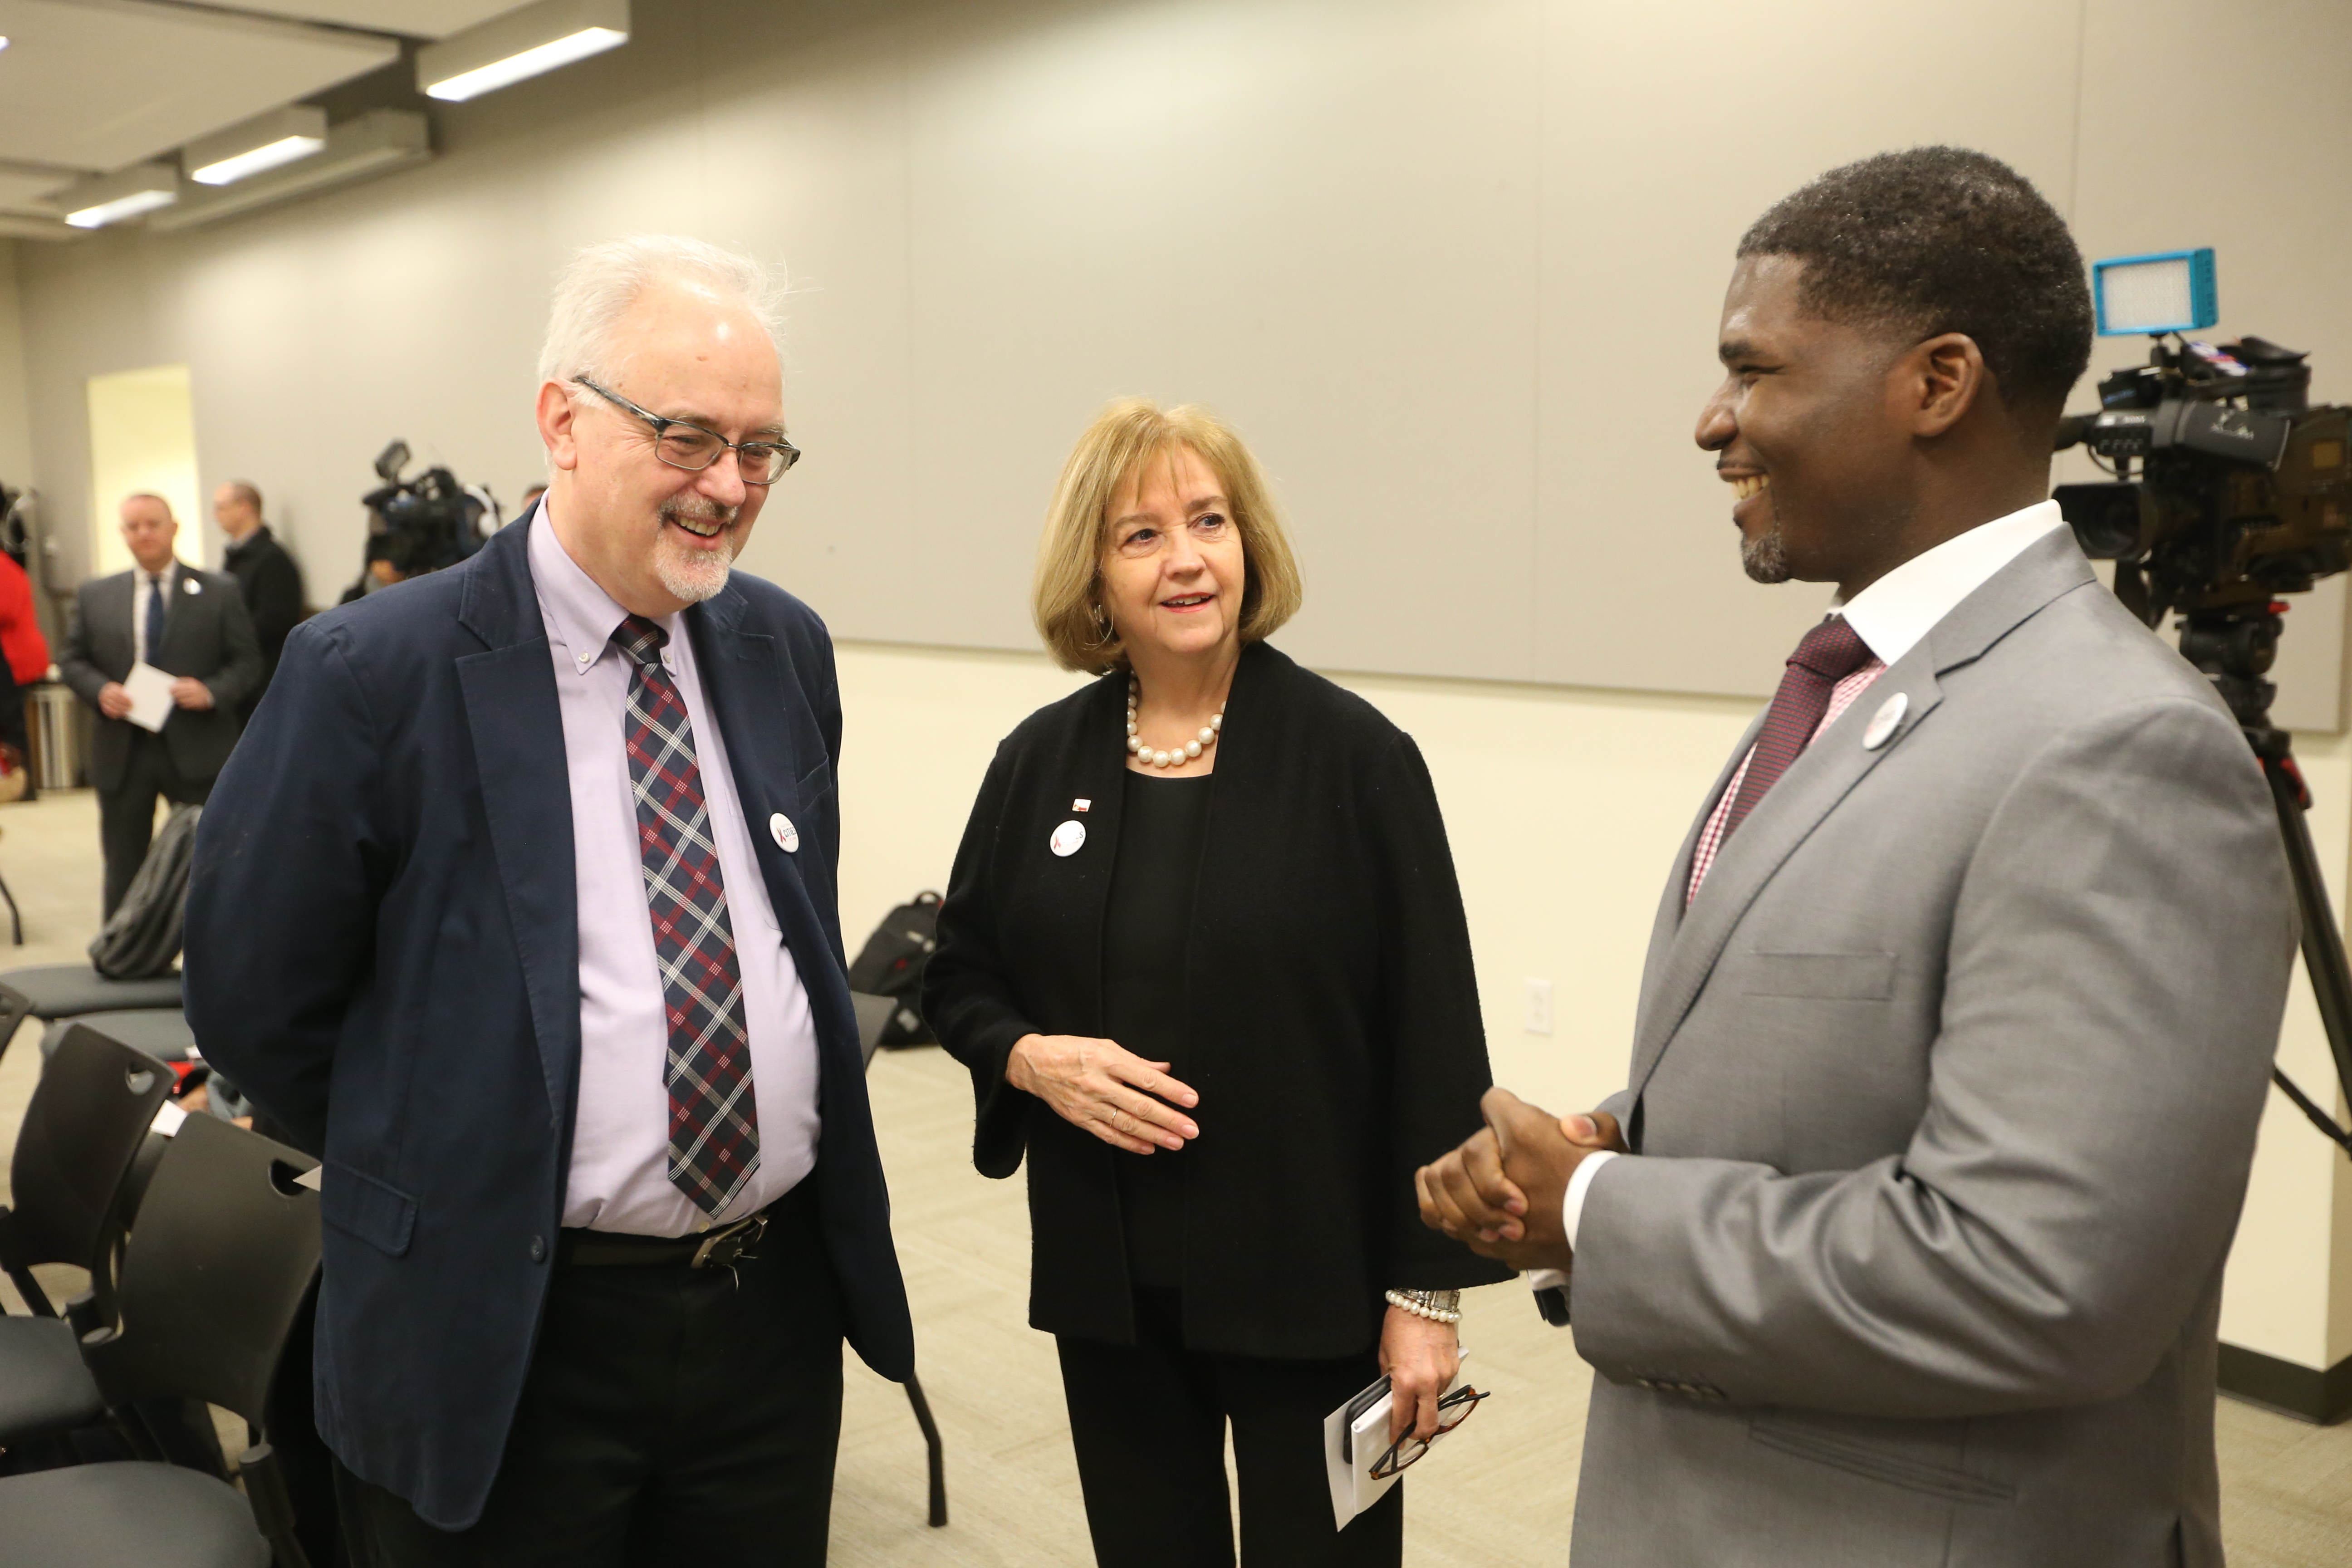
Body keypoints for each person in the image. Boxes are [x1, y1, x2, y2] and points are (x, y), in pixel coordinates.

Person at [1413, 148, 2298, 1565]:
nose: (1713, 420)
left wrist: (1596, 1212)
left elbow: (2034, 1279)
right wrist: (1618, 1139)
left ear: (1937, 383)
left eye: (1753, 370)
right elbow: (1847, 1056)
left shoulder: (2121, 748)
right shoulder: (1851, 681)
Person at [185, 235, 914, 1564]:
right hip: (500, 1329)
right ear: (562, 422)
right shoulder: (371, 672)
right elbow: (252, 1002)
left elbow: (786, 928)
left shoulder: (782, 648)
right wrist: (447, 1155)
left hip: (766, 1315)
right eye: (687, 436)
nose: (728, 485)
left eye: (760, 449)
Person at [924, 399, 1509, 1568]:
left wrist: (1425, 1297)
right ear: (1094, 573)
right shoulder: (1038, 761)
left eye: (1209, 520)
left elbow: (1435, 1037)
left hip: (1313, 1284)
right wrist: (1030, 1059)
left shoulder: (1356, 758)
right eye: (1141, 534)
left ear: (1250, 544)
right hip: (1109, 1287)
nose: (1186, 557)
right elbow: (959, 977)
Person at [60, 493, 260, 915]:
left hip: (197, 747)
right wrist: (100, 690)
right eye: (133, 527)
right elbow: (72, 659)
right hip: (124, 749)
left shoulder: (218, 591)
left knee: (210, 860)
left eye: (153, 524)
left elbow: (248, 662)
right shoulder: (96, 594)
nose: (144, 534)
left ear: (174, 528)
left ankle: (210, 947)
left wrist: (210, 691)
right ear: (123, 534)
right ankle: (124, 948)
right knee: (124, 864)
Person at [214, 479, 306, 721]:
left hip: (262, 683)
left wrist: (225, 638)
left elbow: (274, 620)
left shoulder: (272, 560)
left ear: (243, 508)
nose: (215, 516)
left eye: (221, 508)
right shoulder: (236, 556)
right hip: (242, 676)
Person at [0, 545, 48, 797]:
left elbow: (5, 610)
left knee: (11, 723)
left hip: (14, 658)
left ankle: (22, 787)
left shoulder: (4, 567)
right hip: (9, 657)